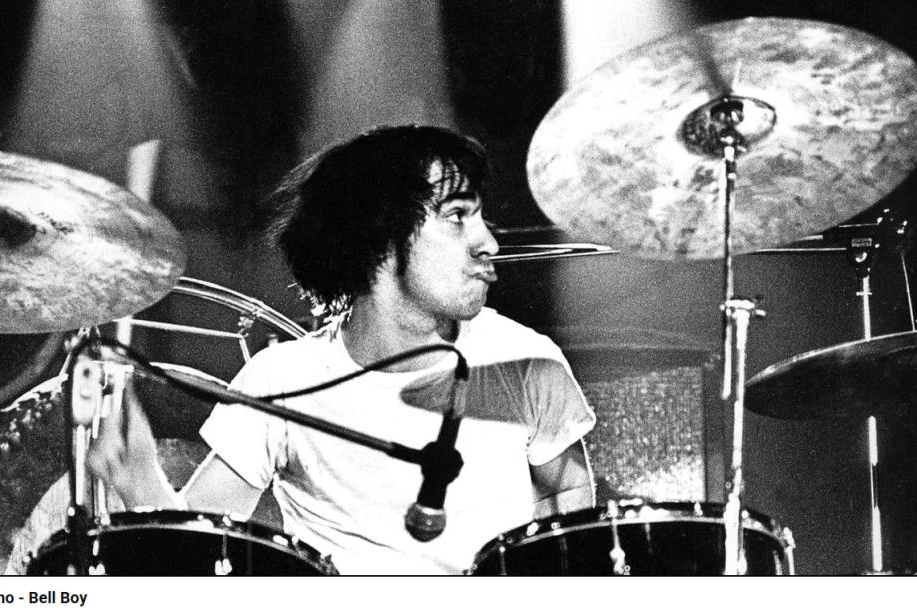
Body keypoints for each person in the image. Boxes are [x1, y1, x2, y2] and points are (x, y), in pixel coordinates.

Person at [88, 125, 597, 575]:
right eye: (457, 215)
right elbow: (200, 554)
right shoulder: (282, 379)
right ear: (381, 234)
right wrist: (140, 482)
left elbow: (565, 491)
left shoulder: (525, 359)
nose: (489, 242)